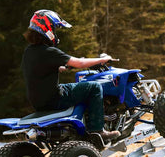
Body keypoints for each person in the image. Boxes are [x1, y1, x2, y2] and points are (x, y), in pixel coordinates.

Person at [21, 9, 121, 141]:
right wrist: (102, 60)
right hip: (54, 98)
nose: (55, 33)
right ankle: (97, 131)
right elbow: (79, 63)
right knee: (94, 87)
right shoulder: (49, 51)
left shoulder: (29, 52)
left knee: (77, 88)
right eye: (55, 29)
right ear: (48, 29)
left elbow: (40, 69)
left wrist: (62, 67)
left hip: (38, 102)